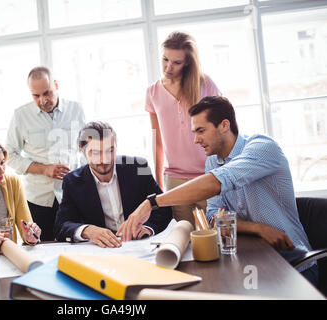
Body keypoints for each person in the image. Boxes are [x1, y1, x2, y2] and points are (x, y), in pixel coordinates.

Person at [118, 96, 318, 285]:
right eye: (194, 132)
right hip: (253, 265)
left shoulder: (262, 147)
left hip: (295, 265)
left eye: (201, 131)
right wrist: (257, 227)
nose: (196, 140)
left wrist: (152, 202)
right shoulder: (213, 161)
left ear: (224, 125)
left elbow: (215, 184)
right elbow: (213, 216)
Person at [54, 121, 172, 247]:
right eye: (95, 153)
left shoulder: (138, 167)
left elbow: (164, 209)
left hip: (140, 246)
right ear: (82, 150)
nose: (104, 159)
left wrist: (148, 229)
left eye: (110, 151)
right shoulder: (72, 181)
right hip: (102, 252)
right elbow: (61, 226)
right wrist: (88, 230)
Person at [145, 31, 220, 227]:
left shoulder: (205, 84)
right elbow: (157, 139)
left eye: (176, 62)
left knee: (215, 237)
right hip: (175, 178)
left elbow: (222, 129)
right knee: (183, 238)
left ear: (187, 62)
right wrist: (159, 179)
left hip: (208, 175)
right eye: (165, 59)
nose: (168, 67)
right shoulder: (152, 92)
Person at [6, 66, 86, 241]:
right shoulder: (20, 116)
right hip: (38, 200)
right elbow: (8, 155)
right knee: (42, 250)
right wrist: (43, 169)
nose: (43, 100)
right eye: (36, 95)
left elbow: (86, 151)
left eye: (47, 93)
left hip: (72, 196)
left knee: (78, 247)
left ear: (56, 85)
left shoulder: (76, 110)